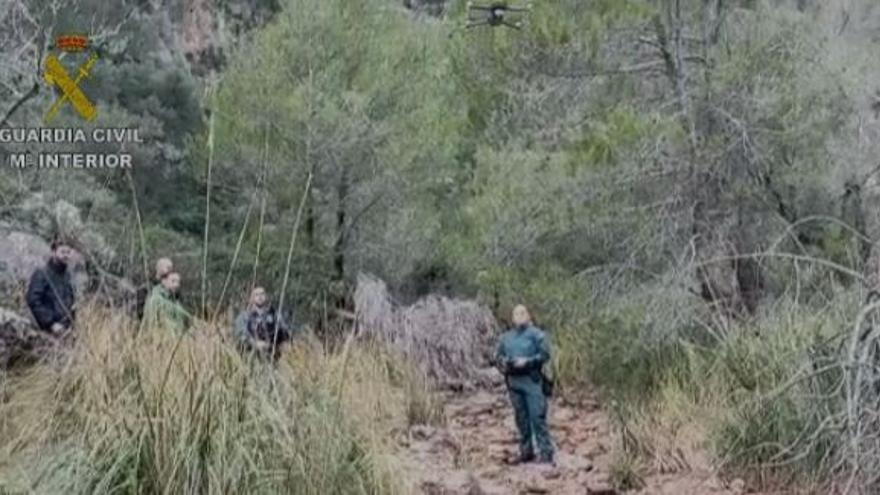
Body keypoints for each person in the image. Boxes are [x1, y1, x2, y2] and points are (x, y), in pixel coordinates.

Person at [495, 304, 555, 465]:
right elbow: (497, 358)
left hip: (532, 381)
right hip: (514, 382)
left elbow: (545, 354)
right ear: (512, 318)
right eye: (516, 313)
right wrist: (506, 363)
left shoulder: (537, 335)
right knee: (521, 419)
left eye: (523, 313)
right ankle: (526, 452)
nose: (519, 316)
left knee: (537, 417)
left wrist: (528, 362)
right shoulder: (505, 338)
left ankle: (546, 453)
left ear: (528, 316)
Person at [26, 239, 76, 335]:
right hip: (46, 332)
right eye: (62, 252)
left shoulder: (68, 276)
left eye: (68, 252)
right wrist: (50, 323)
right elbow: (33, 300)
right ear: (53, 252)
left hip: (66, 331)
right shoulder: (41, 274)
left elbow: (71, 302)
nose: (66, 255)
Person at [233, 286, 292, 359]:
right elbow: (240, 335)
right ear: (252, 298)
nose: (260, 297)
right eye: (256, 295)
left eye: (262, 294)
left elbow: (284, 331)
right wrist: (255, 343)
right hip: (251, 355)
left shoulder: (275, 315)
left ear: (266, 296)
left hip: (272, 354)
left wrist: (284, 343)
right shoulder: (244, 316)